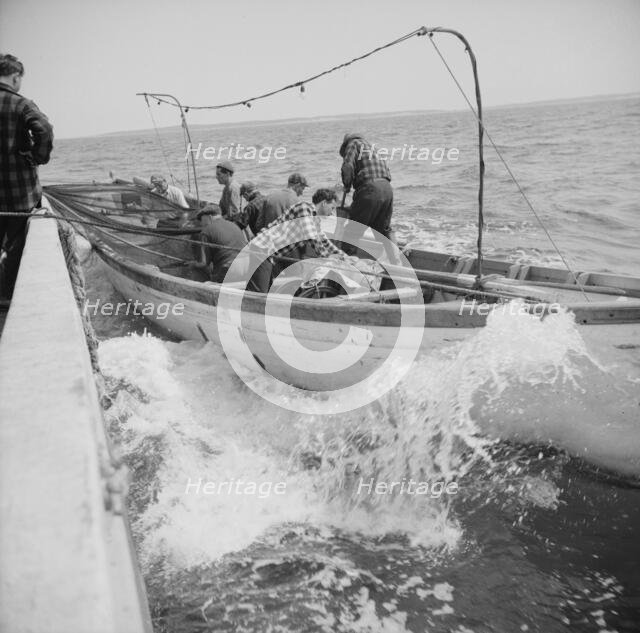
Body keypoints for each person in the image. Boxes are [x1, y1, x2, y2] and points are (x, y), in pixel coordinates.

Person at [0, 54, 54, 299]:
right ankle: (7, 294)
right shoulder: (21, 104)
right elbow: (44, 129)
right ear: (16, 76)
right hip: (19, 195)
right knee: (16, 247)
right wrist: (37, 157)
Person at [248, 188, 347, 293]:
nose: (332, 213)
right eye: (332, 208)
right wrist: (327, 256)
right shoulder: (304, 208)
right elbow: (311, 236)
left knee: (266, 290)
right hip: (262, 249)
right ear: (323, 203)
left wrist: (344, 256)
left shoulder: (315, 219)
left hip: (270, 254)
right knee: (259, 292)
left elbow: (324, 241)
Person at [338, 132, 400, 264]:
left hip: (370, 189)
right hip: (387, 189)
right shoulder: (373, 148)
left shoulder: (353, 144)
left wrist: (347, 185)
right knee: (384, 230)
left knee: (351, 232)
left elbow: (348, 167)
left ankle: (347, 266)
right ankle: (397, 262)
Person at [189, 203, 247, 283]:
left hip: (228, 269)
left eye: (202, 220)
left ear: (209, 217)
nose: (201, 224)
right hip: (247, 267)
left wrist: (193, 264)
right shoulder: (234, 225)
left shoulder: (206, 231)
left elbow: (203, 263)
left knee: (197, 270)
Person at [215, 160, 241, 224]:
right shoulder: (226, 188)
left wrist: (218, 219)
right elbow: (221, 208)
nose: (216, 177)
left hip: (238, 225)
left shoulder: (233, 188)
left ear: (227, 174)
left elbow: (234, 213)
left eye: (218, 174)